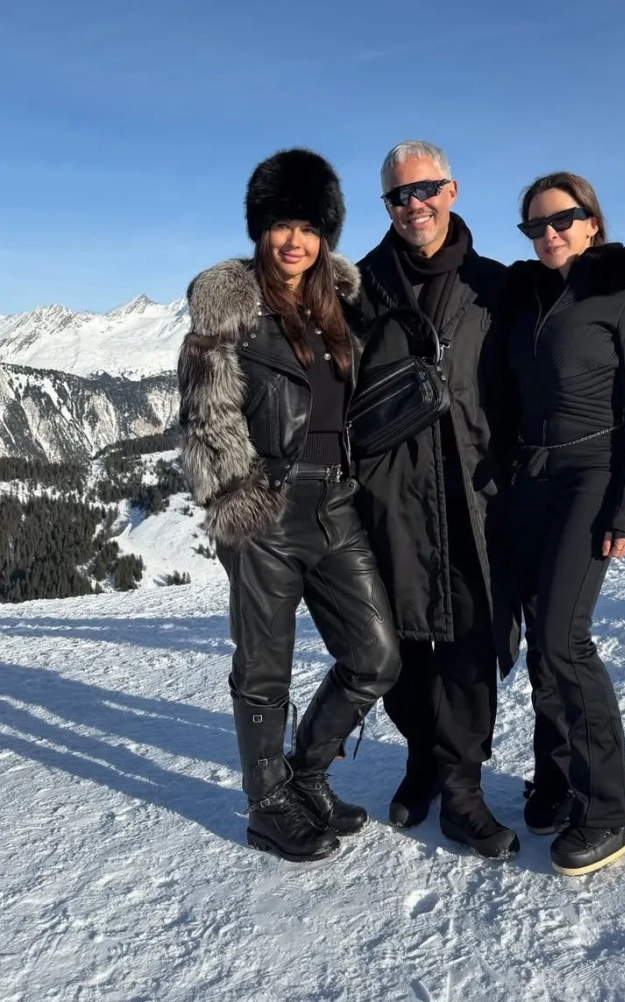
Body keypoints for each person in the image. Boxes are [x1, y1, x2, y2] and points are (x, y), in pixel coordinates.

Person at [177, 148, 400, 864]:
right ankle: (267, 803)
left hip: (336, 505)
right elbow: (206, 420)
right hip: (266, 509)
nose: (294, 240)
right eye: (281, 225)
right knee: (263, 669)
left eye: (308, 227)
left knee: (375, 656)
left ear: (326, 234)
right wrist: (240, 508)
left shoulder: (341, 306)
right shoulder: (228, 313)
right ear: (260, 230)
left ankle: (306, 774)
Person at [353, 140, 520, 859]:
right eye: (399, 195)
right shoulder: (357, 289)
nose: (413, 205)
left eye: (425, 190)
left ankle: (461, 788)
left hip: (475, 495)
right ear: (386, 205)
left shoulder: (495, 285)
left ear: (451, 190)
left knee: (470, 643)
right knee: (399, 642)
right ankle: (422, 758)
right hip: (389, 495)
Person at [505, 171, 625, 876]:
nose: (549, 233)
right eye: (535, 225)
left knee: (565, 639)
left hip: (590, 477)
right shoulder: (529, 295)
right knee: (541, 642)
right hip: (530, 484)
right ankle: (560, 777)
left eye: (561, 219)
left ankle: (610, 805)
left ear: (592, 221)